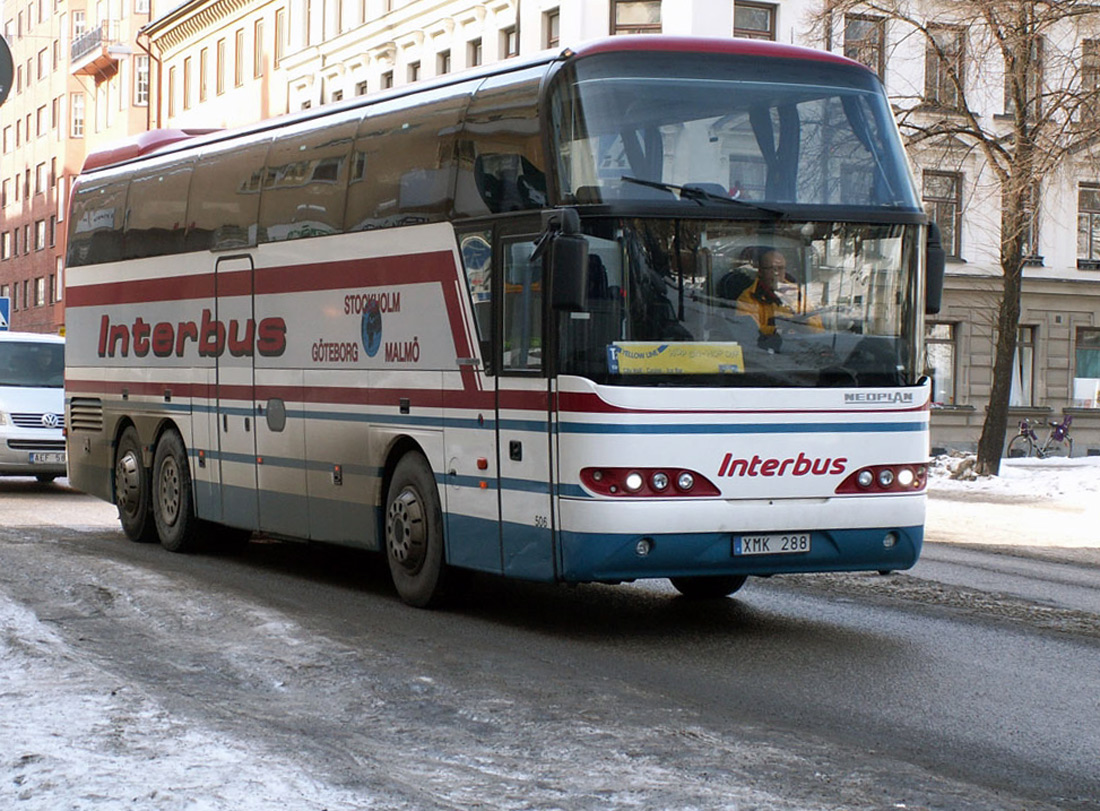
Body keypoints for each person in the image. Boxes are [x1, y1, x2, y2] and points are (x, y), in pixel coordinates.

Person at [735, 249, 822, 342]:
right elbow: (749, 333)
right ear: (760, 271)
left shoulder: (796, 293)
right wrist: (780, 325)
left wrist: (794, 306)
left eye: (780, 268)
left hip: (796, 346)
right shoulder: (749, 297)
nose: (776, 273)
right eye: (771, 268)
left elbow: (818, 331)